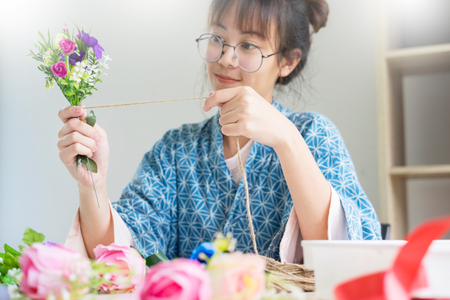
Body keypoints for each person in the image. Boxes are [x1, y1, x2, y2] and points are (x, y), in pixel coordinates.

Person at [59, 0, 381, 262]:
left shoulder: (312, 135)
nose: (226, 59)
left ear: (287, 62)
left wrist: (286, 140)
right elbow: (117, 255)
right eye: (218, 39)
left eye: (249, 45)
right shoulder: (175, 150)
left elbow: (352, 252)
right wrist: (93, 185)